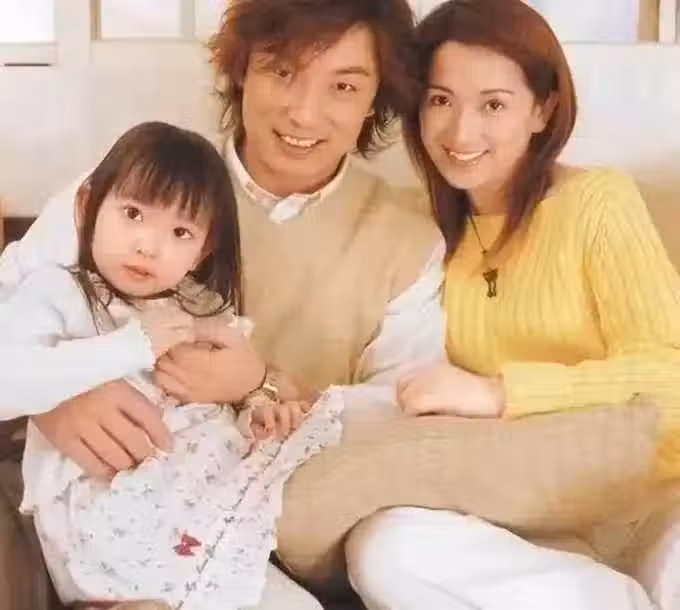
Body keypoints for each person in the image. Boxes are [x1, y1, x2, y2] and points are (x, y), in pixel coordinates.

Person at [0, 1, 443, 608]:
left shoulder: (407, 241)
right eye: (282, 71)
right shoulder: (139, 187)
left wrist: (261, 383)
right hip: (84, 506)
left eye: (343, 86)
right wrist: (57, 395)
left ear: (375, 99)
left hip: (263, 516)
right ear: (242, 70)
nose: (304, 111)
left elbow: (401, 414)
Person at [344, 1, 680, 609]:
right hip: (524, 518)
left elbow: (671, 379)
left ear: (542, 110)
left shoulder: (597, 202)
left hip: (652, 506)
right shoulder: (420, 233)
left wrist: (500, 394)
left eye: (493, 104)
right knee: (382, 549)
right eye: (441, 100)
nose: (460, 132)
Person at [0, 120, 343, 609]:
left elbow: (222, 406)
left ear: (204, 249)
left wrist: (257, 409)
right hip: (111, 528)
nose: (148, 245)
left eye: (180, 231)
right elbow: (7, 382)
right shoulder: (56, 293)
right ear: (86, 206)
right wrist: (131, 347)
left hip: (204, 516)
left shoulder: (199, 307)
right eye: (133, 214)